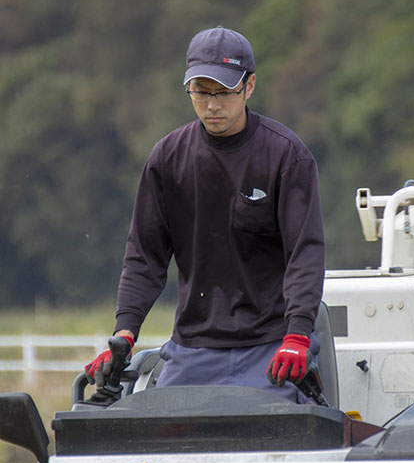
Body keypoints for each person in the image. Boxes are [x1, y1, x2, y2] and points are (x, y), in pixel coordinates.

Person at [85, 26, 325, 402]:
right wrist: (125, 332)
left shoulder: (286, 156)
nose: (212, 105)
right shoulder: (166, 159)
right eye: (201, 91)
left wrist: (297, 336)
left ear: (249, 86)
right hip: (192, 349)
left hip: (272, 347)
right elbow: (144, 257)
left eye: (224, 92)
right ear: (189, 88)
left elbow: (305, 254)